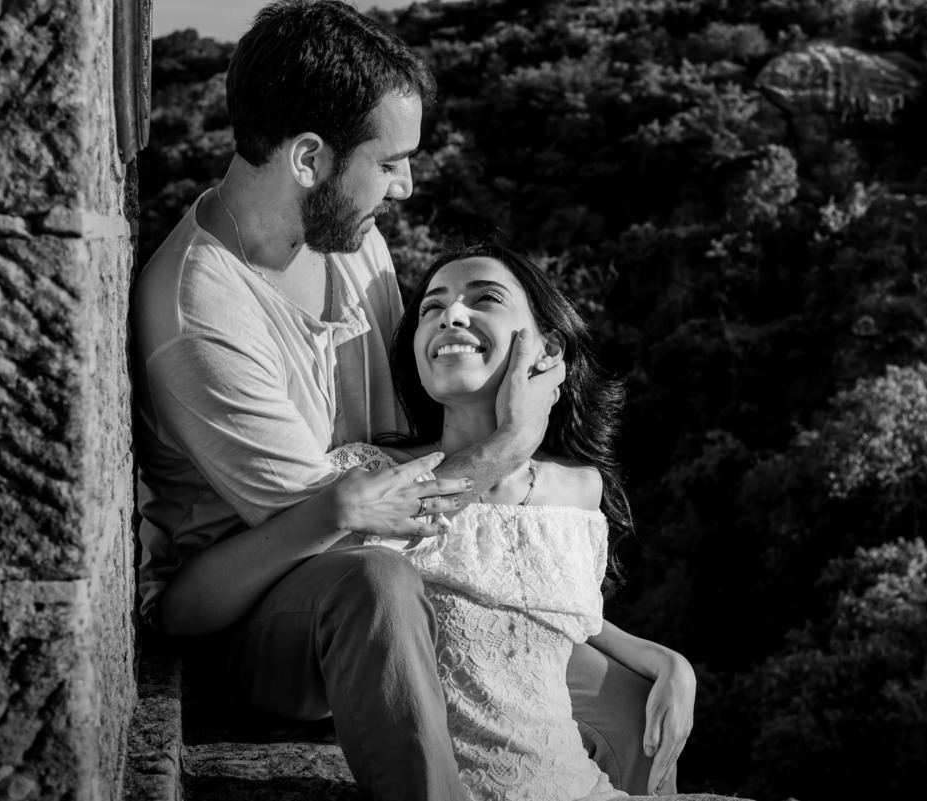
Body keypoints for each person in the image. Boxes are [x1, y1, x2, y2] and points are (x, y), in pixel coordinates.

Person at [131, 1, 671, 798]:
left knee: (636, 702)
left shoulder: (352, 241)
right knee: (377, 583)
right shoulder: (203, 318)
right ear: (310, 158)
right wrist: (504, 448)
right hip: (273, 605)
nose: (407, 186)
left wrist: (618, 641)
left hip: (407, 548)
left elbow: (404, 488)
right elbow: (346, 528)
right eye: (388, 164)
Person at [333, 243, 696, 800]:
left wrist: (664, 659)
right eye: (432, 308)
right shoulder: (369, 478)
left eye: (485, 299)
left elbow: (554, 616)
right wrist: (510, 441)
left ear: (546, 348)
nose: (452, 315)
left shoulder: (578, 488)